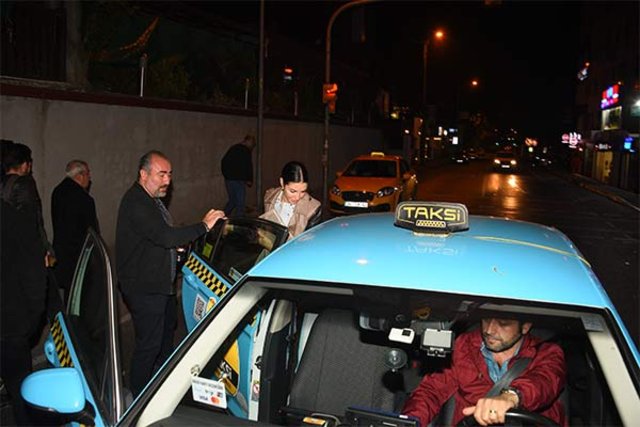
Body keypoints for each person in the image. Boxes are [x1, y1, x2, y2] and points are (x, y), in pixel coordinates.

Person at [116, 150, 225, 396]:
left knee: (166, 335)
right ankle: (140, 398)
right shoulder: (136, 202)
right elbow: (165, 236)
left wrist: (174, 249)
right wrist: (204, 226)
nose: (167, 180)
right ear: (143, 174)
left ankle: (162, 383)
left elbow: (154, 236)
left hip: (159, 282)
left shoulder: (150, 199)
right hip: (145, 288)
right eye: (161, 174)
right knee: (149, 345)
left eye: (170, 174)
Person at [402, 317, 566, 426]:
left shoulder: (547, 352)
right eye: (486, 319)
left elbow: (545, 379)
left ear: (525, 327)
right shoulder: (464, 347)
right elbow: (431, 391)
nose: (489, 330)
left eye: (503, 323)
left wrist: (511, 397)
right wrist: (411, 421)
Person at [1, 199, 48, 425]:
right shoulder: (17, 220)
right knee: (21, 394)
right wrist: (29, 323)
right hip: (11, 329)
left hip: (11, 328)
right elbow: (35, 279)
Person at [51, 160, 100, 304]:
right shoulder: (84, 199)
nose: (89, 178)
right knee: (82, 300)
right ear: (80, 175)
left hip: (62, 254)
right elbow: (91, 232)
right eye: (88, 174)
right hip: (79, 258)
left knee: (69, 297)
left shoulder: (57, 192)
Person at [260, 161, 322, 239]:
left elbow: (310, 242)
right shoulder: (269, 197)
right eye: (293, 191)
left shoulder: (313, 209)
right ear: (282, 182)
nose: (297, 197)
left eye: (303, 191)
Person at [221, 134, 255, 216]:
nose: (252, 146)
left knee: (232, 201)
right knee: (240, 204)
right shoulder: (246, 151)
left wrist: (227, 175)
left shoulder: (233, 148)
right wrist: (249, 179)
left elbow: (224, 161)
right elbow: (248, 166)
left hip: (229, 179)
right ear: (248, 141)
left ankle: (221, 217)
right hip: (238, 180)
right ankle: (238, 221)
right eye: (252, 144)